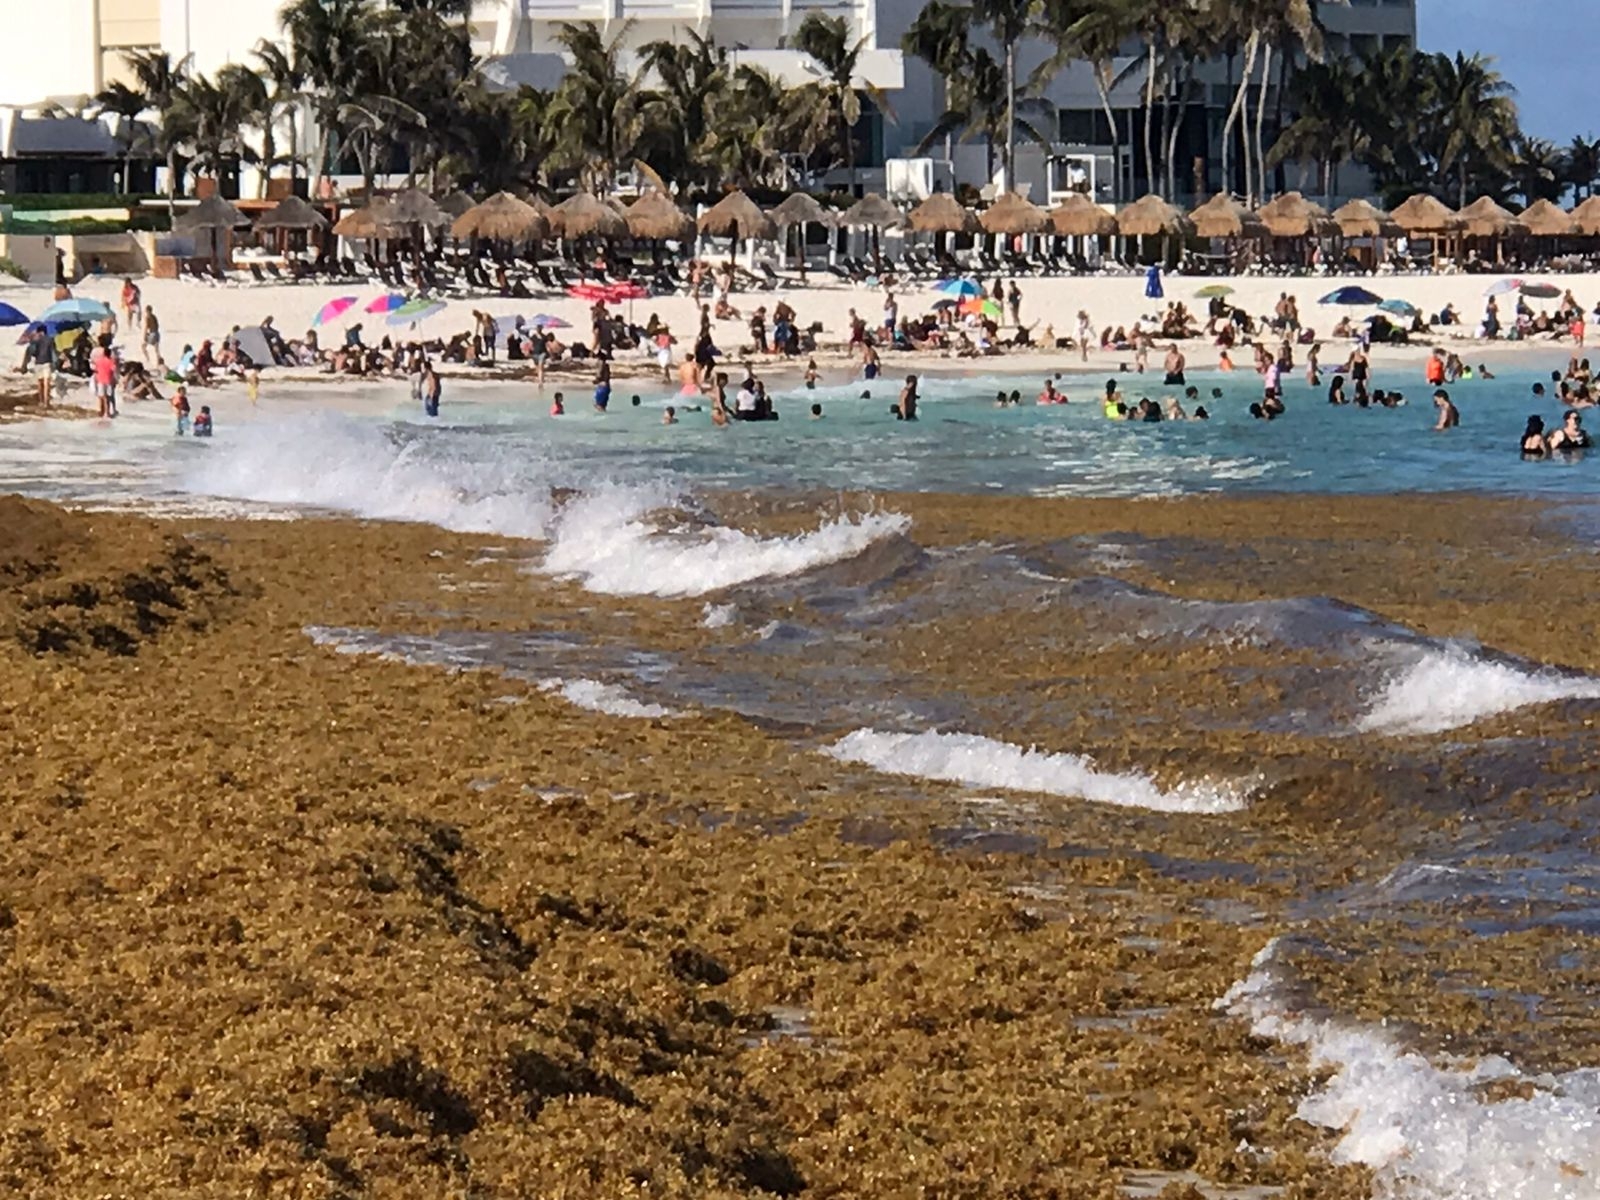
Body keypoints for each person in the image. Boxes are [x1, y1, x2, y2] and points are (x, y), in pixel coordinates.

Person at [90, 340, 117, 419]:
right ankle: (107, 412)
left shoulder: (99, 361)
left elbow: (94, 369)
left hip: (100, 380)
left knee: (101, 396)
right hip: (108, 380)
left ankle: (101, 411)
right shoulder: (111, 361)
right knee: (108, 397)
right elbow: (114, 370)